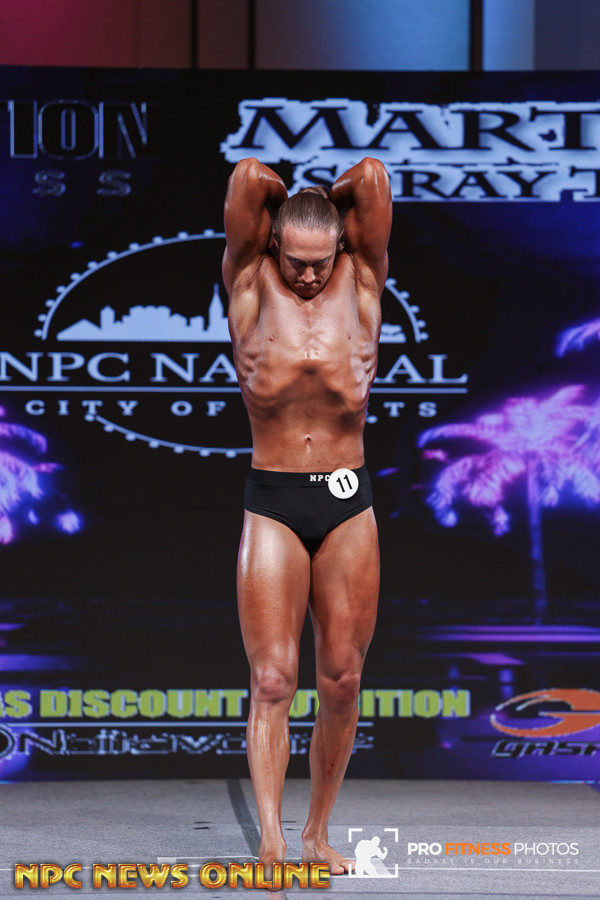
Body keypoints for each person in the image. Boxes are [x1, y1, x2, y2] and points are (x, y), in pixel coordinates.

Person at [222, 156, 392, 876]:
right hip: (275, 501)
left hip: (348, 503)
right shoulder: (250, 280)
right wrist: (298, 198)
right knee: (271, 680)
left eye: (322, 261)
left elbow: (373, 177)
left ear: (342, 248)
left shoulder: (363, 279)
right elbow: (247, 177)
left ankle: (318, 834)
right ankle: (272, 839)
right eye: (297, 260)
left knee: (343, 679)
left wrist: (324, 201)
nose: (310, 275)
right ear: (273, 245)